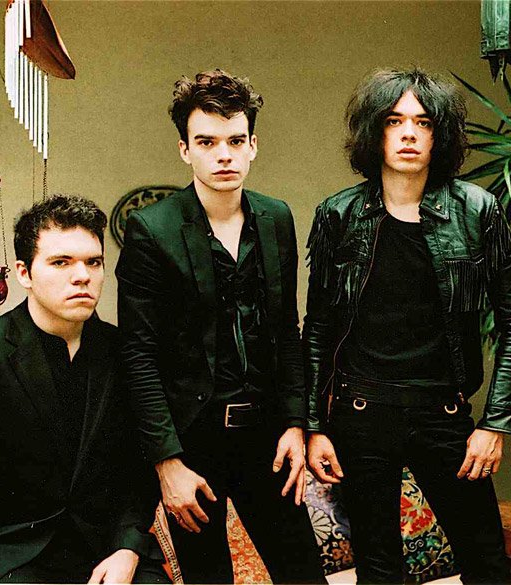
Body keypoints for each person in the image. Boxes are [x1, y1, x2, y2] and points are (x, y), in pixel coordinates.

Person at [303, 68, 511, 584]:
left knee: (487, 565)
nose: (408, 133)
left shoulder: (478, 210)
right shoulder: (339, 214)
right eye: (394, 121)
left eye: (423, 122)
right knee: (378, 571)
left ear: (439, 135)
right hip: (361, 415)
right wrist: (315, 426)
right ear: (374, 132)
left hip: (443, 414)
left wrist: (495, 423)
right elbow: (317, 328)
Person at [116, 69, 325, 584]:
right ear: (185, 150)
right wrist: (167, 464)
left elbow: (287, 331)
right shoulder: (152, 229)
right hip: (193, 442)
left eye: (235, 141)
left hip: (268, 436)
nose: (223, 155)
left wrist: (295, 423)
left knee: (304, 575)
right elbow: (138, 355)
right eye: (207, 142)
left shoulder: (276, 218)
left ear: (253, 145)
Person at [0, 195, 166, 583]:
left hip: (104, 549)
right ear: (24, 273)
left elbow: (138, 466)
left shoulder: (122, 352)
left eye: (93, 262)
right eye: (61, 262)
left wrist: (128, 548)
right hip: (4, 552)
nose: (82, 276)